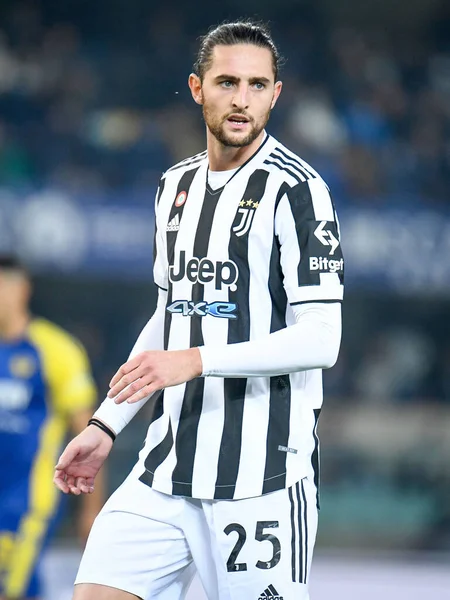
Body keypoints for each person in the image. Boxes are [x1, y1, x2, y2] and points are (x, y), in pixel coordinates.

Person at [54, 19, 344, 600]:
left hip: (260, 477)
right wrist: (107, 422)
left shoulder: (297, 191)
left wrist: (197, 360)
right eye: (227, 82)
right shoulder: (174, 186)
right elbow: (171, 312)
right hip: (166, 468)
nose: (242, 100)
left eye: (258, 85)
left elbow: (322, 338)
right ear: (196, 87)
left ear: (276, 95)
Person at [0, 255, 102, 600]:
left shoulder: (55, 350)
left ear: (21, 289)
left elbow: (90, 433)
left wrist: (91, 512)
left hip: (25, 504)